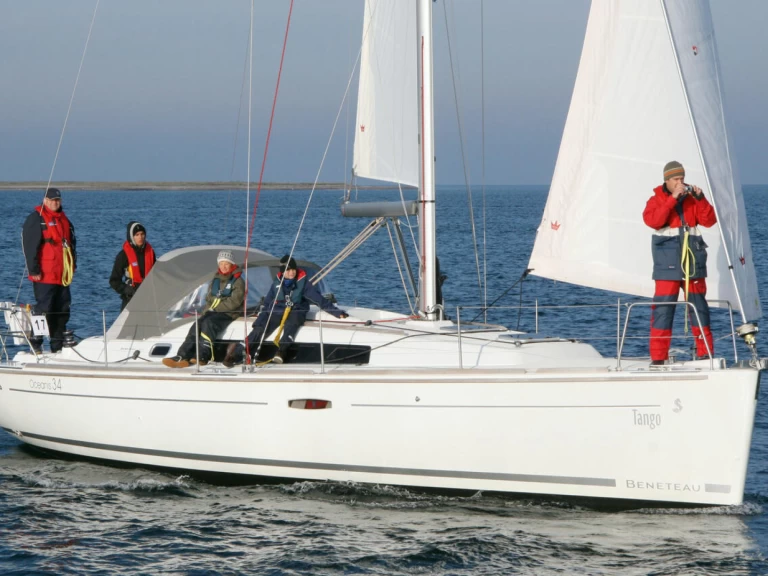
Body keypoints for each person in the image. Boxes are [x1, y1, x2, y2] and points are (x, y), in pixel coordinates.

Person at [643, 160, 717, 365]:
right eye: (676, 179)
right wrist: (671, 200)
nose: (680, 182)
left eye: (682, 178)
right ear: (666, 180)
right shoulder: (655, 199)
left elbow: (709, 220)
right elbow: (653, 221)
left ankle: (705, 354)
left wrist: (700, 199)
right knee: (663, 310)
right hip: (666, 264)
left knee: (699, 308)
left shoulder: (692, 199)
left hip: (693, 262)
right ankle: (658, 359)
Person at [223, 254, 348, 367]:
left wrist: (337, 312)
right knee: (260, 328)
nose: (292, 273)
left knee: (291, 325)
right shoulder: (276, 284)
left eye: (293, 269)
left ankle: (281, 351)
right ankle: (238, 352)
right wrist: (261, 319)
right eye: (288, 270)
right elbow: (268, 304)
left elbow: (319, 300)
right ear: (283, 272)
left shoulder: (303, 283)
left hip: (296, 310)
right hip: (278, 310)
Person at [163, 250, 245, 368]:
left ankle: (202, 356)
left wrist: (215, 308)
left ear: (232, 264)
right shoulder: (215, 280)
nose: (223, 266)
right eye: (221, 263)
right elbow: (209, 297)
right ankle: (182, 355)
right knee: (197, 324)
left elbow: (235, 302)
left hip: (228, 313)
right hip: (213, 311)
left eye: (226, 264)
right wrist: (207, 310)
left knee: (208, 324)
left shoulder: (238, 281)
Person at [22, 187, 77, 353]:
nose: (55, 202)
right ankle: (36, 342)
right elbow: (30, 247)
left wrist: (73, 265)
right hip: (44, 275)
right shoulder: (36, 219)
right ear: (45, 200)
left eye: (58, 200)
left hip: (62, 275)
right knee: (44, 309)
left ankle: (57, 345)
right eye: (52, 200)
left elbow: (72, 244)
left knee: (62, 309)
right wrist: (33, 270)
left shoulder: (64, 220)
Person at [109, 221, 157, 311]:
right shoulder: (123, 255)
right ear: (131, 237)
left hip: (148, 299)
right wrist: (126, 289)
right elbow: (113, 281)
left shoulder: (150, 253)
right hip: (130, 299)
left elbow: (156, 275)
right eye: (137, 235)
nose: (140, 237)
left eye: (142, 234)